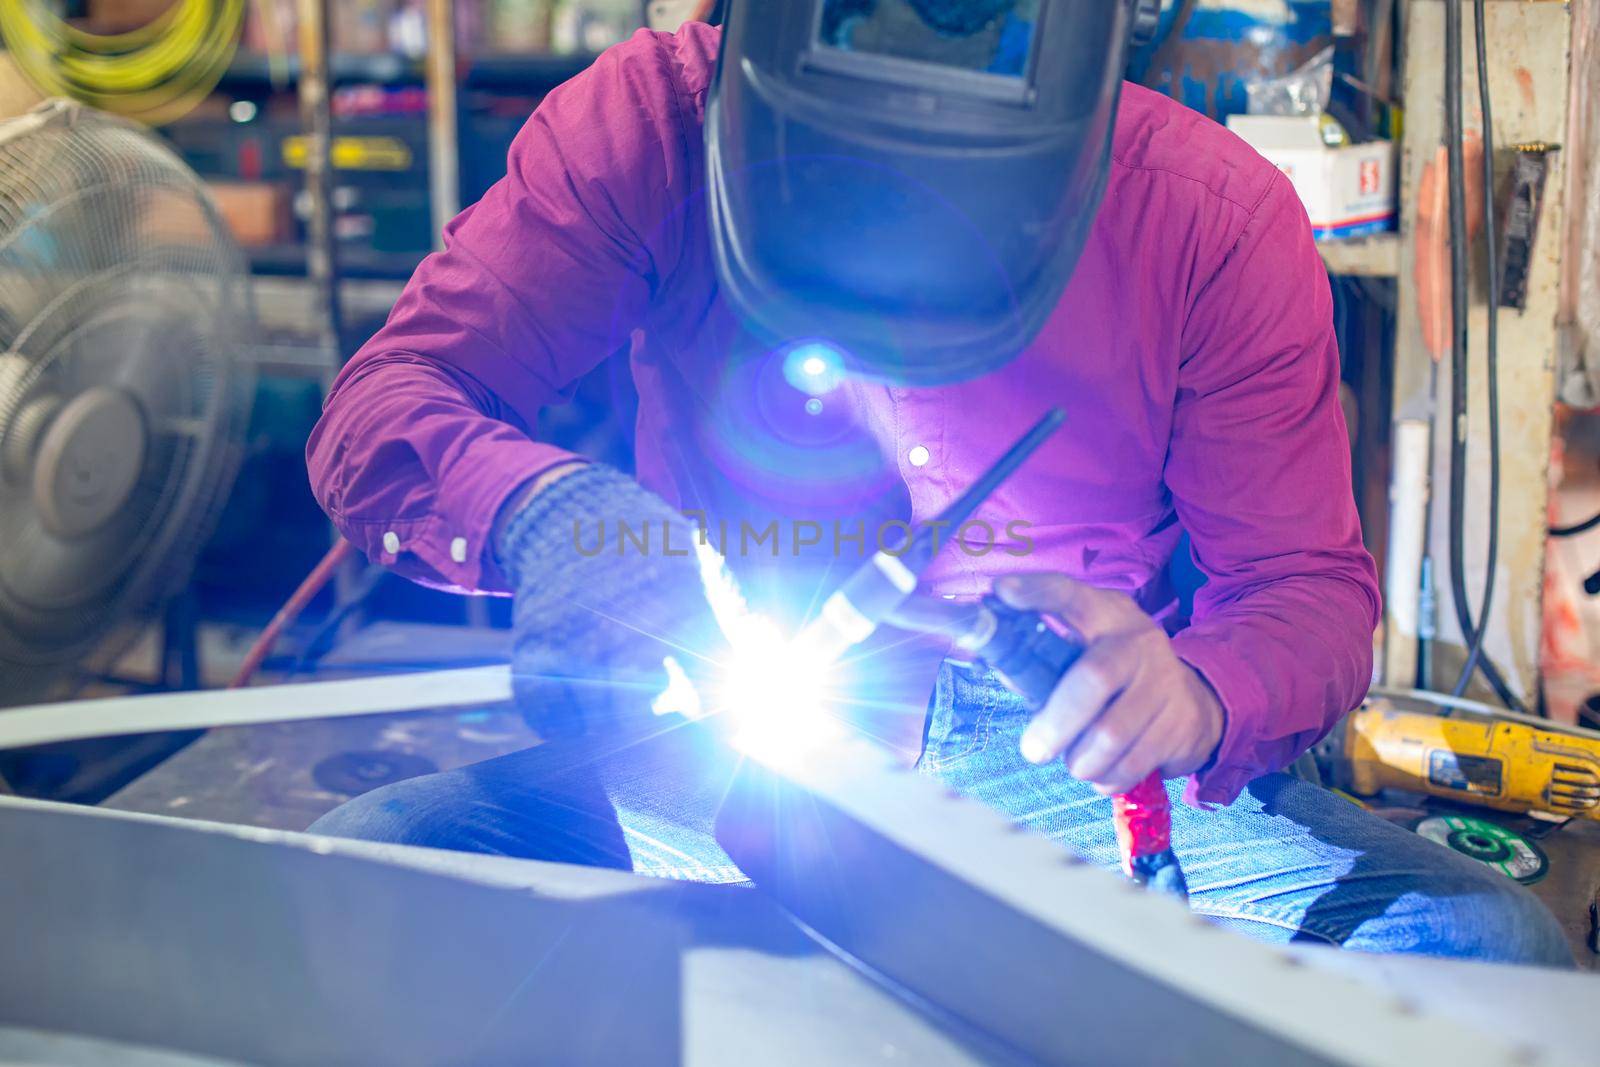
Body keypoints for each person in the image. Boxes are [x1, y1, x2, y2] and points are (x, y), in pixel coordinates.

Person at [304, 15, 1571, 965]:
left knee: (1483, 953)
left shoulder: (1211, 215)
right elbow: (388, 402)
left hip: (1047, 774)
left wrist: (1189, 693)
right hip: (723, 746)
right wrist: (547, 514)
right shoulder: (649, 119)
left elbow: (1304, 592)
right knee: (371, 871)